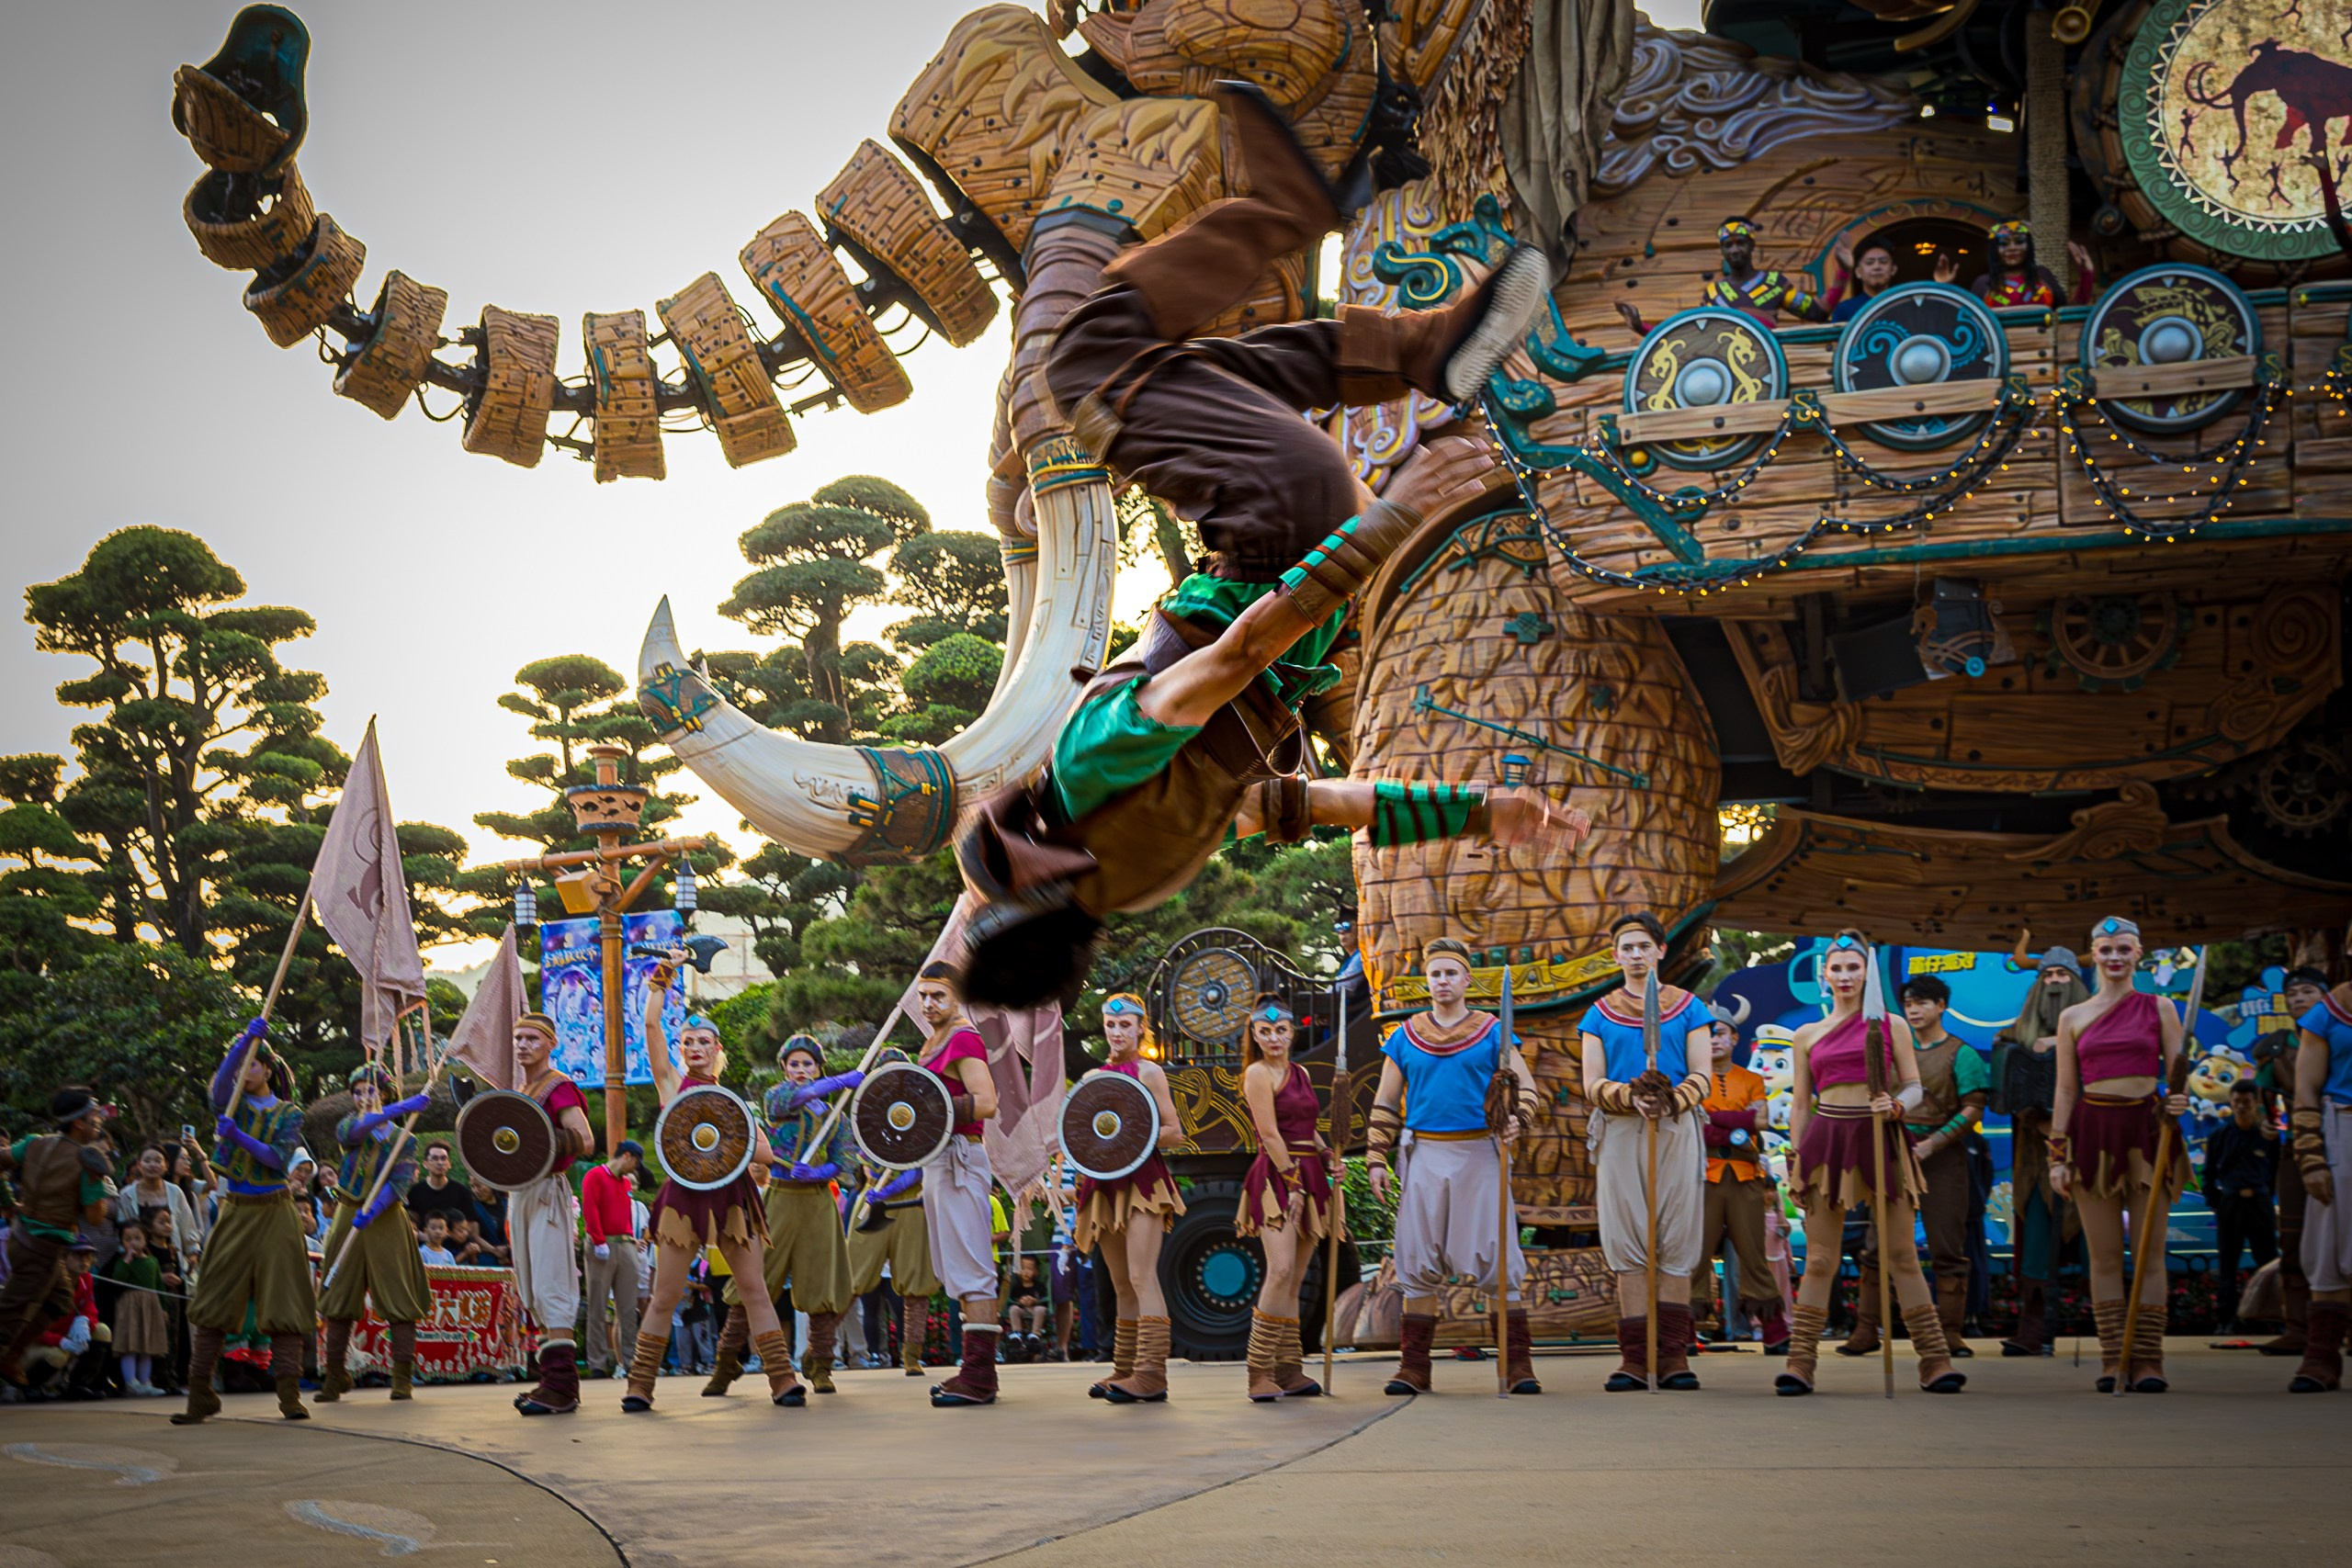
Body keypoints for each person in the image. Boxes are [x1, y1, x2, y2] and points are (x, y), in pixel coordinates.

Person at [958, 82, 1580, 1012]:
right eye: (994, 873)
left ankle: (1420, 345)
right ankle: (1293, 222)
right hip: (1278, 532)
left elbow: (1328, 805)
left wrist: (1485, 812)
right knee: (1084, 369)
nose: (997, 825)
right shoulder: (1089, 771)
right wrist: (1386, 521)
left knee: (1191, 372)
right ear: (1028, 881)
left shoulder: (1148, 865)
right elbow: (1236, 653)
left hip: (1300, 557)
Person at [1776, 931, 1966, 1397]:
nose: (1845, 976)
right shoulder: (1807, 1035)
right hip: (1826, 1142)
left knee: (1902, 1254)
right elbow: (1801, 1104)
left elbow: (1914, 1086)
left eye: (1853, 967)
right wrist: (1795, 1158)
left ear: (1868, 973)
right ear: (1824, 974)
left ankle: (1934, 1360)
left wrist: (1898, 1107)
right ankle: (1801, 1364)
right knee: (1820, 1258)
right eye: (1837, 968)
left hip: (1881, 1137)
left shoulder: (1892, 1026)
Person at [1365, 937, 1542, 1396]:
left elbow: (1527, 1088)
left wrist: (1518, 1120)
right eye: (1435, 974)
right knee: (1418, 1257)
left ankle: (1517, 1365)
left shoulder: (1492, 1030)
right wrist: (1376, 1158)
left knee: (1496, 1256)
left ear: (1466, 979)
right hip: (1424, 1153)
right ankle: (1414, 1368)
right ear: (1427, 982)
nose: (1442, 981)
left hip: (1481, 1152)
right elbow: (1386, 1102)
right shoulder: (1405, 1035)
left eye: (1450, 973)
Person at [623, 967, 802, 1412]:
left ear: (717, 1049)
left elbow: (762, 1152)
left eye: (704, 1042)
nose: (696, 1048)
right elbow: (650, 1027)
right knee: (665, 1295)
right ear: (681, 1050)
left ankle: (782, 1379)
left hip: (732, 1196)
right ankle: (639, 1385)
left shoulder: (733, 1101)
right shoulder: (670, 1084)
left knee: (754, 1289)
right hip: (683, 1196)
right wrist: (660, 983)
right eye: (689, 1042)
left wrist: (789, 1157)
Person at [2051, 916, 2190, 1393]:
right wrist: (2057, 1154)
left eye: (2123, 949)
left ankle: (2149, 1360)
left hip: (2148, 1133)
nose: (2114, 958)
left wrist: (2179, 1100)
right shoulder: (2073, 1016)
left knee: (2150, 1254)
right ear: (2094, 954)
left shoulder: (2162, 1008)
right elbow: (2066, 1091)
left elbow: (2177, 1077)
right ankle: (2114, 1358)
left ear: (2138, 954)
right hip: (2093, 1136)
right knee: (2105, 1256)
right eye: (2106, 950)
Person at [1578, 914, 1713, 1392]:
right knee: (1628, 1242)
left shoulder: (1691, 1007)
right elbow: (1591, 1081)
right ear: (1616, 955)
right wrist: (1630, 1097)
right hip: (1619, 1130)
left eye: (1643, 946)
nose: (1635, 954)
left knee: (1676, 1241)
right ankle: (1635, 1359)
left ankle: (1674, 1356)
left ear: (1660, 950)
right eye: (1626, 947)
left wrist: (1671, 1098)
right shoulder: (1598, 1013)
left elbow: (1703, 1074)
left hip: (1676, 1128)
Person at [175, 1021, 316, 1424]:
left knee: (285, 1304)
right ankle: (200, 1394)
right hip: (235, 1209)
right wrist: (241, 1044)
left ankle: (289, 1395)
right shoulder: (229, 1100)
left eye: (252, 1065)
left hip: (276, 1210)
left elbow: (276, 1157)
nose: (242, 1072)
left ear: (269, 1070)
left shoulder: (290, 1113)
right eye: (240, 1066)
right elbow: (217, 1089)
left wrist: (236, 1137)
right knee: (214, 1300)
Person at [707, 1035, 862, 1397]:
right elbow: (791, 1100)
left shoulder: (836, 1116)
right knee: (753, 1281)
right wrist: (840, 1081)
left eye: (808, 1064)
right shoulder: (776, 1096)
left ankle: (820, 1364)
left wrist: (822, 1174)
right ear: (784, 1068)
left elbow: (847, 1163)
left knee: (823, 1286)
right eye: (794, 1064)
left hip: (818, 1203)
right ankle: (726, 1363)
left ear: (818, 1067)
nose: (801, 1070)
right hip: (778, 1199)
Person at [1069, 993, 1188, 1403]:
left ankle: (1152, 1374)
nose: (1117, 1031)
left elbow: (1174, 1131)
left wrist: (1132, 1135)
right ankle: (1124, 1369)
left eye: (1125, 1025)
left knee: (1141, 1276)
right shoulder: (1090, 1079)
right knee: (1120, 1283)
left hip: (1143, 1184)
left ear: (1140, 1028)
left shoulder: (1150, 1072)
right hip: (1103, 1186)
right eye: (1110, 1024)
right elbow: (1080, 1137)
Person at [907, 962, 1006, 1407]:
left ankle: (980, 1377)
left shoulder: (963, 1037)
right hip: (939, 1160)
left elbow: (986, 1102)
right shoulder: (934, 1041)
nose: (929, 1004)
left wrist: (932, 1105)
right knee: (958, 1271)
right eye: (924, 996)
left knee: (973, 1269)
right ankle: (973, 1370)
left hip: (960, 1158)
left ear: (957, 997)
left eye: (938, 996)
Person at [1235, 995, 1338, 1402]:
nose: (1274, 1037)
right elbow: (1271, 1134)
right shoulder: (1257, 1074)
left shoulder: (1301, 1073)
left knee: (1296, 1277)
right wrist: (1292, 1182)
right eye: (1266, 1030)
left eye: (1281, 1030)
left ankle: (1289, 1369)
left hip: (1309, 1172)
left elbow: (1307, 1126)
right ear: (1255, 1035)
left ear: (1292, 1032)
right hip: (1278, 1176)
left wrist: (1327, 1154)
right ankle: (1259, 1370)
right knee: (1279, 1269)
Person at [1882, 975, 1990, 1359]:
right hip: (1893, 1150)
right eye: (1909, 1002)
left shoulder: (1962, 1054)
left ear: (1942, 1006)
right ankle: (1864, 1328)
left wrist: (1933, 1144)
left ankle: (1951, 1333)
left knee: (1947, 1246)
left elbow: (1974, 1108)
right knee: (1875, 1244)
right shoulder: (1892, 1051)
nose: (1914, 1009)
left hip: (1943, 1156)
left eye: (1923, 1002)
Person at [317, 1066, 434, 1404]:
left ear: (383, 1092)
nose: (362, 1097)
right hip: (348, 1213)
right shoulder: (349, 1126)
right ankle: (335, 1374)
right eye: (357, 1092)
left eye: (370, 1090)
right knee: (337, 1295)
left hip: (385, 1218)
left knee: (398, 1296)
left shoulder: (405, 1138)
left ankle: (402, 1378)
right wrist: (403, 1106)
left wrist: (376, 1207)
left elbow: (401, 1182)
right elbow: (357, 1131)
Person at [1990, 947, 2086, 1356]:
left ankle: (2120, 1331)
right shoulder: (2011, 1037)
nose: (2054, 983)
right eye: (2048, 976)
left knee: (2094, 1243)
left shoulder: (2094, 1032)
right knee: (2037, 1241)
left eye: (2063, 975)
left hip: (2088, 1151)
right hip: (2035, 1157)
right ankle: (2034, 1330)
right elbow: (2006, 1097)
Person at [503, 1012, 597, 1416]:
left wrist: (537, 1137)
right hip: (521, 1193)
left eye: (532, 1038)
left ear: (550, 1044)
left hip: (547, 1192)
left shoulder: (559, 1087)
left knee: (551, 1284)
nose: (523, 1045)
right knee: (532, 1288)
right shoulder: (521, 1089)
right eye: (518, 1038)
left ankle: (561, 1386)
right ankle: (551, 1381)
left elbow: (587, 1141)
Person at [0, 1087, 115, 1387]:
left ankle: (11, 1356)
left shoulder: (36, 1143)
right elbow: (95, 1217)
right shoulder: (85, 1161)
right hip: (42, 1251)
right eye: (94, 1116)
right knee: (9, 1313)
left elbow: (2, 1159)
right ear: (79, 1122)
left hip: (25, 1241)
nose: (99, 1121)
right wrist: (97, 1180)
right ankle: (8, 1356)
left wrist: (8, 1203)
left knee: (61, 1301)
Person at [1691, 1006, 1786, 1356]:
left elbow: (1761, 1121)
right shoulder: (1692, 1079)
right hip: (1703, 1177)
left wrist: (1713, 1120)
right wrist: (1738, 1122)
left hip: (1746, 1175)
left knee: (1753, 1253)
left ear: (1734, 1038)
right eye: (1707, 1033)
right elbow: (1693, 1125)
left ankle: (1774, 1330)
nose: (1713, 1039)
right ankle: (1687, 1330)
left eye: (1719, 1033)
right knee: (1695, 1254)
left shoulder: (1752, 1079)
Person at [2287, 976, 2352, 1392]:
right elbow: (2306, 1087)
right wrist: (2310, 1156)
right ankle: (2322, 1357)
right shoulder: (2329, 1010)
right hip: (2343, 1127)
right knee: (2329, 1241)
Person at [2265, 966, 2333, 1358]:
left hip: (2341, 1138)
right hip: (2296, 1148)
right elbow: (2265, 1102)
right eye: (2292, 994)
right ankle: (2298, 1326)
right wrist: (2266, 1125)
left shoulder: (2339, 1035)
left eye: (2307, 991)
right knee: (2293, 1236)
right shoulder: (2276, 1047)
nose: (2298, 999)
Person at [847, 1102, 942, 1380]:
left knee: (917, 1283)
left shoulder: (924, 1124)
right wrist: (881, 1187)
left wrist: (893, 1188)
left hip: (912, 1203)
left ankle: (912, 1356)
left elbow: (921, 1167)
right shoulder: (866, 1122)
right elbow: (867, 1162)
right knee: (852, 1278)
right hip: (873, 1201)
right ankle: (819, 1355)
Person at [1615, 217, 1829, 337]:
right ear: (1722, 251)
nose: (1735, 250)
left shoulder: (1774, 283)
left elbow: (1818, 312)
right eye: (1728, 245)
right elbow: (1694, 332)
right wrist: (1640, 326)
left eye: (1741, 243)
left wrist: (1842, 273)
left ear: (1752, 245)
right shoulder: (1714, 294)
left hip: (1770, 361)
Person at [2204, 1079, 2279, 1328]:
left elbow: (2276, 1170)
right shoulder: (2220, 1136)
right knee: (2227, 1264)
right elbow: (2208, 1174)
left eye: (2246, 1102)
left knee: (2267, 1263)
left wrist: (2265, 1196)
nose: (2240, 1107)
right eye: (2236, 1102)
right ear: (2230, 1102)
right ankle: (2225, 1321)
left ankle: (2270, 1319)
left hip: (2259, 1203)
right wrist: (2217, 1201)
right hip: (2231, 1204)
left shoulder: (2267, 1136)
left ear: (2256, 1103)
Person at [581, 1140, 643, 1382]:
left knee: (628, 1309)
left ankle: (630, 1361)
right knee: (597, 1305)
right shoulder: (595, 1176)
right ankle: (596, 1363)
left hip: (625, 1244)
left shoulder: (626, 1183)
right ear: (626, 1156)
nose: (635, 1168)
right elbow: (591, 1208)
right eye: (636, 1162)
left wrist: (631, 1240)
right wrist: (598, 1240)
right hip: (602, 1243)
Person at [23, 1240, 104, 1400]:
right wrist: (60, 1341)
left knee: (102, 1331)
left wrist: (85, 1320)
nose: (84, 1260)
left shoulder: (85, 1278)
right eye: (77, 1255)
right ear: (63, 1258)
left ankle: (77, 1385)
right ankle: (30, 1386)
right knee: (58, 1355)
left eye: (87, 1256)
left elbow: (90, 1308)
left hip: (61, 1335)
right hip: (34, 1344)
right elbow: (31, 1326)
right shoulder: (46, 1282)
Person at [105, 1220, 171, 1396]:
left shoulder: (152, 1261)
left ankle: (145, 1381)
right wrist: (126, 1260)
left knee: (147, 1345)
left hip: (150, 1305)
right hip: (130, 1306)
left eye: (137, 1238)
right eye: (127, 1239)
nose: (133, 1242)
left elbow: (159, 1286)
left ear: (145, 1240)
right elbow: (118, 1279)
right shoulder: (122, 1262)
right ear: (121, 1242)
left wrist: (163, 1307)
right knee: (131, 1343)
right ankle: (131, 1382)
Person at [114, 1145, 203, 1274]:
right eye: (147, 1160)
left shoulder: (175, 1192)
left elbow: (187, 1224)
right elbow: (122, 1232)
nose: (152, 1165)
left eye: (158, 1161)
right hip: (141, 1265)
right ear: (139, 1165)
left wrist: (193, 1252)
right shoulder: (126, 1195)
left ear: (166, 1165)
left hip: (172, 1261)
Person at [1967, 220, 2095, 308]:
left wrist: (2086, 276)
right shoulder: (1983, 283)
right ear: (1994, 249)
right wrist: (1946, 287)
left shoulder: (2042, 275)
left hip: (2044, 345)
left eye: (2019, 241)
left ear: (2029, 246)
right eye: (2004, 243)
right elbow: (1968, 323)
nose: (2012, 248)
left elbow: (2066, 313)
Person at [405, 1143, 484, 1235]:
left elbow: (471, 1222)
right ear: (425, 1164)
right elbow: (410, 1224)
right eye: (434, 1158)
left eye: (443, 1158)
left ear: (449, 1164)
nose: (440, 1162)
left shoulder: (462, 1192)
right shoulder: (415, 1192)